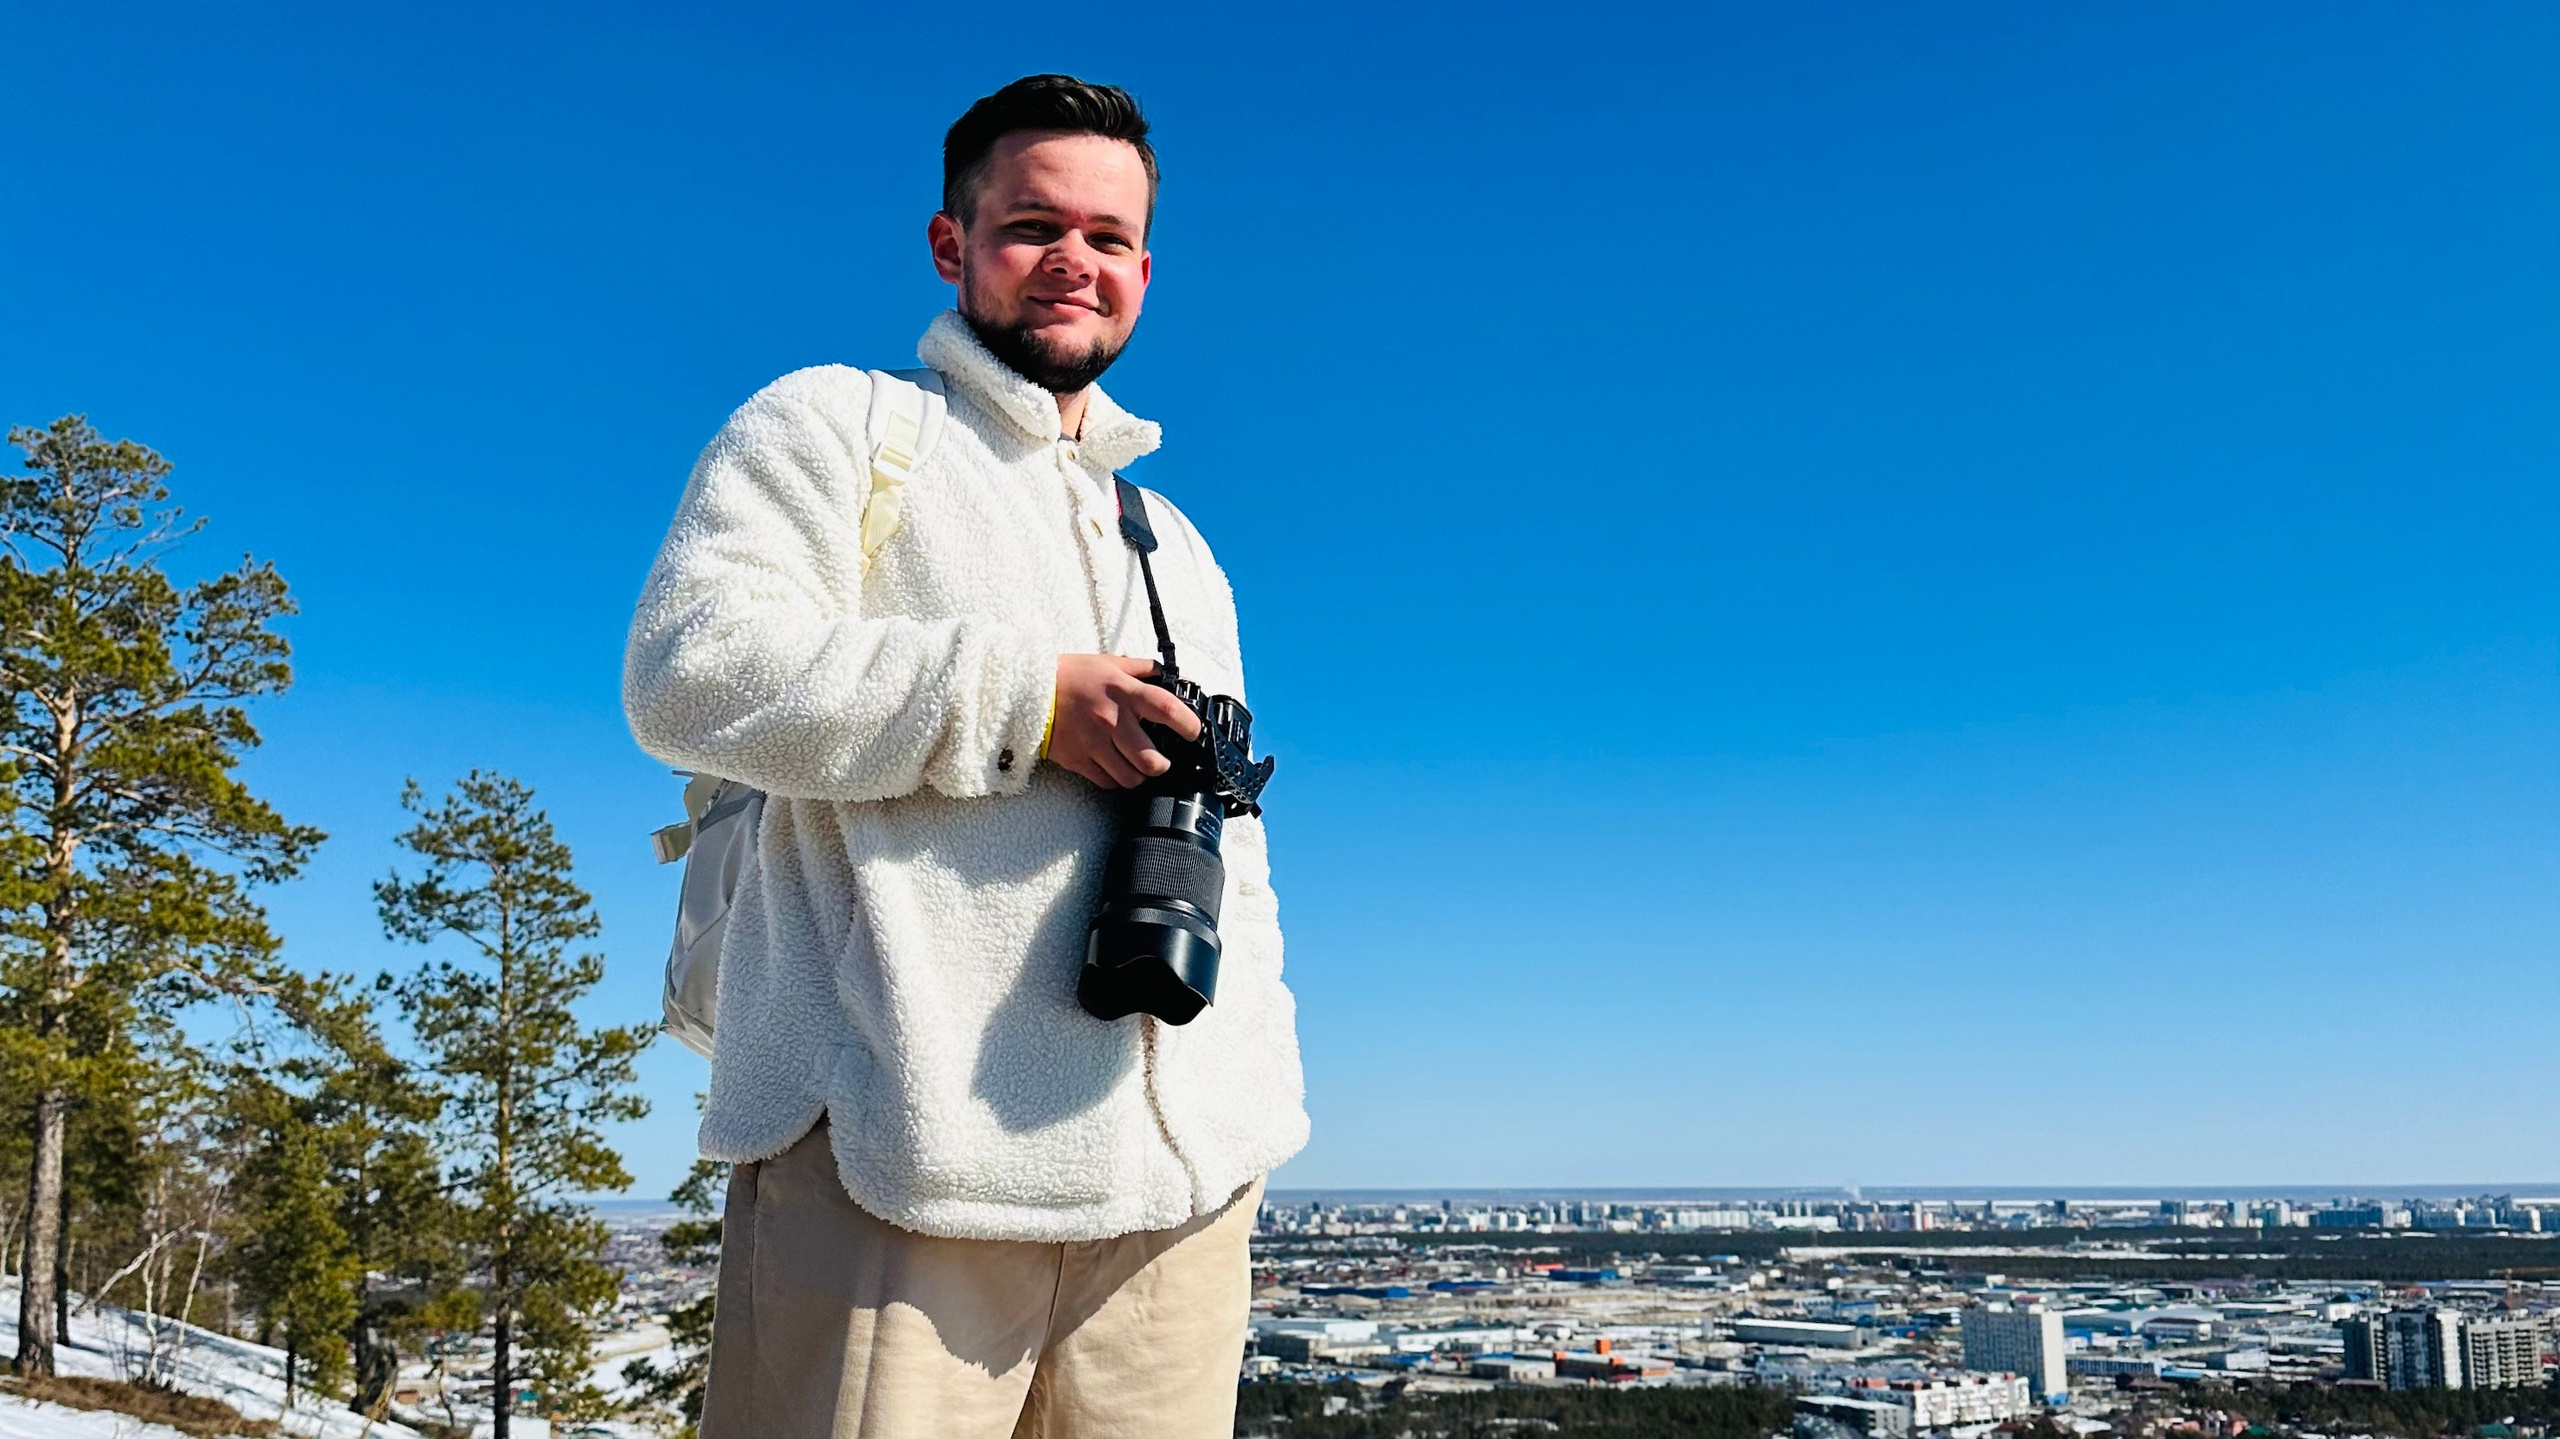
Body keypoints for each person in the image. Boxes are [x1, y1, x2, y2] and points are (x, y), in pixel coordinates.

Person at [622, 75, 1309, 1438]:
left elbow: (1233, 846)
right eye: (1032, 226)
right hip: (900, 1162)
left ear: (1145, 271)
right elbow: (689, 672)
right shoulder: (840, 427)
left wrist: (1253, 1095)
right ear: (952, 243)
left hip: (1181, 1197)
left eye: (1109, 238)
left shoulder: (1175, 541)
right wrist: (1025, 704)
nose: (1074, 261)